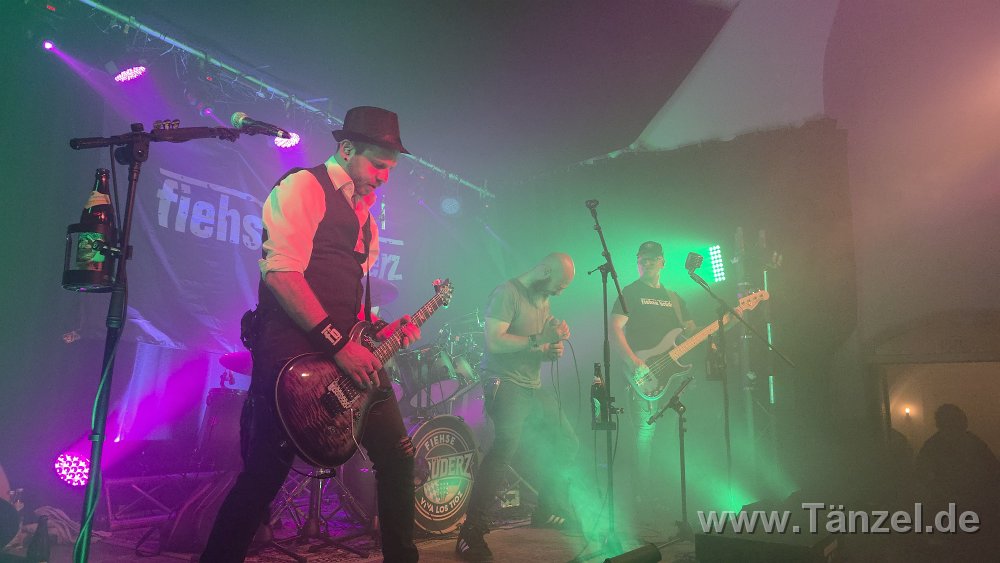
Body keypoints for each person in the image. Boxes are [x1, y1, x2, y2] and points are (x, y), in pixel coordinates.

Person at [200, 106, 421, 563]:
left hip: (345, 354)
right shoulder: (303, 186)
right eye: (379, 165)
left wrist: (382, 330)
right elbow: (282, 276)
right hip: (294, 358)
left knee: (398, 455)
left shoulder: (367, 221)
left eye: (391, 169)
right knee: (264, 475)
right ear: (348, 149)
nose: (384, 178)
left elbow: (352, 306)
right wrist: (339, 345)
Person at [456, 253, 579, 562]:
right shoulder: (506, 293)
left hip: (531, 386)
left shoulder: (542, 299)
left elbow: (536, 344)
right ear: (545, 271)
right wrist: (539, 339)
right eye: (559, 284)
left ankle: (547, 510)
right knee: (504, 449)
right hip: (504, 382)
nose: (560, 291)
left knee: (567, 441)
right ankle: (471, 532)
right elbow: (495, 342)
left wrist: (550, 348)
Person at [610, 241, 695, 507]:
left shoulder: (674, 298)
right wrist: (633, 361)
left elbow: (690, 331)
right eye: (641, 259)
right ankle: (641, 495)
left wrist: (726, 322)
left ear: (662, 262)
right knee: (644, 434)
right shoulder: (630, 292)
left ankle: (664, 491)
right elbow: (615, 329)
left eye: (650, 259)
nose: (645, 263)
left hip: (672, 377)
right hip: (644, 373)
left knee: (669, 433)